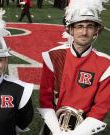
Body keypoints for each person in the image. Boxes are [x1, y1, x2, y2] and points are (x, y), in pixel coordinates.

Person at [38, 0, 110, 135]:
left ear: (96, 30)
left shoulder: (106, 64)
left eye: (89, 26)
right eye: (79, 26)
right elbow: (45, 98)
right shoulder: (54, 56)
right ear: (71, 29)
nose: (84, 32)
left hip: (85, 127)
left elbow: (101, 107)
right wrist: (57, 131)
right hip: (54, 125)